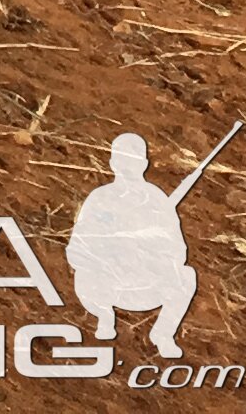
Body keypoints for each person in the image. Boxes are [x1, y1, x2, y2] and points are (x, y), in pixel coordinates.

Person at [66, 134, 200, 358]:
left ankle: (163, 334)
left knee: (186, 276)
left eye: (134, 161)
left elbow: (178, 251)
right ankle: (104, 316)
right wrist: (110, 250)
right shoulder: (100, 198)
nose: (128, 168)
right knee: (84, 275)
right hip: (107, 284)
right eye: (122, 161)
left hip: (145, 284)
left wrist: (148, 251)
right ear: (112, 163)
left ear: (144, 164)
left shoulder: (157, 200)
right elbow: (77, 247)